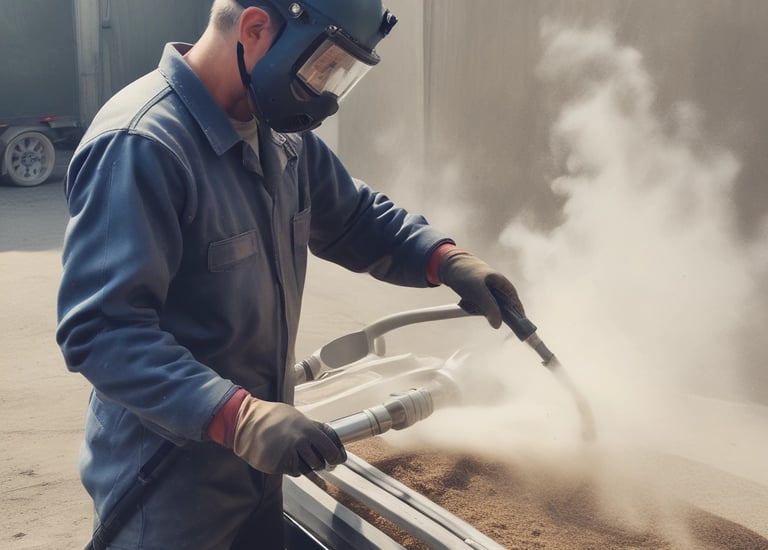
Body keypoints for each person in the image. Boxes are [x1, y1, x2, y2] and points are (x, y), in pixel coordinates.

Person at [56, 0, 525, 548]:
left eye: (338, 74)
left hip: (261, 458)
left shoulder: (279, 135)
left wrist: (443, 259)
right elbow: (103, 331)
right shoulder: (142, 146)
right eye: (321, 68)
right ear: (256, 29)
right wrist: (240, 417)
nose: (324, 92)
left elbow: (354, 218)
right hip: (166, 481)